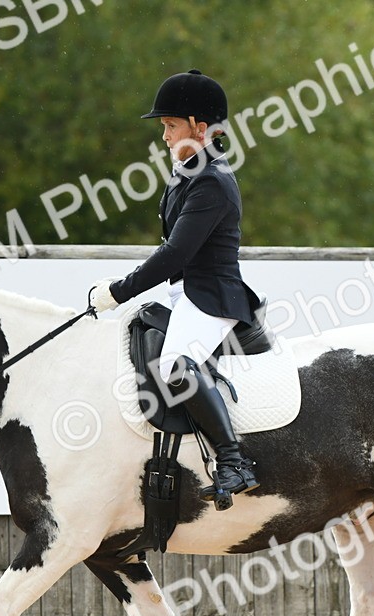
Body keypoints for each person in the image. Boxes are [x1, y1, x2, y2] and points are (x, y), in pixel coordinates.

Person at [90, 69, 260, 509]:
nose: (163, 136)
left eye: (170, 126)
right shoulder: (186, 173)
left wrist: (118, 290)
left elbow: (174, 255)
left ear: (200, 128)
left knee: (175, 367)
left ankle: (233, 460)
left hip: (211, 296)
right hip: (183, 293)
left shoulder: (211, 181)